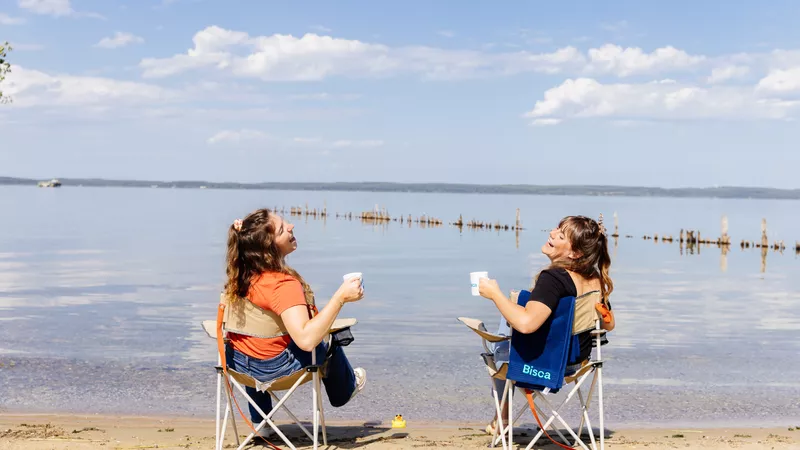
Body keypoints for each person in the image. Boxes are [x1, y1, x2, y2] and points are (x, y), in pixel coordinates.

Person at [223, 208, 366, 430]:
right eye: (282, 229)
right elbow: (306, 340)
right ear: (269, 248)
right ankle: (345, 388)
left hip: (240, 368)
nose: (291, 227)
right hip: (278, 370)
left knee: (250, 342)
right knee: (327, 338)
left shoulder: (239, 277)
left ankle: (261, 420)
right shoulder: (283, 286)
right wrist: (340, 298)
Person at [478, 215, 616, 435]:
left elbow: (526, 325)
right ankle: (500, 420)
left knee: (496, 348)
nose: (552, 233)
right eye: (556, 229)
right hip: (579, 365)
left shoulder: (553, 278)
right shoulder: (595, 279)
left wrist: (495, 295)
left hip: (548, 366)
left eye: (561, 235)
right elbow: (609, 326)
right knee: (510, 319)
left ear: (575, 253)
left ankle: (502, 419)